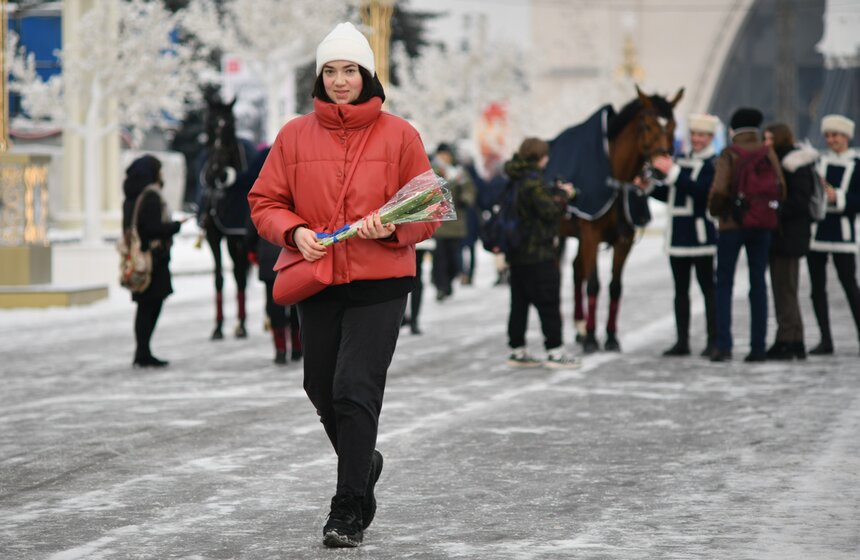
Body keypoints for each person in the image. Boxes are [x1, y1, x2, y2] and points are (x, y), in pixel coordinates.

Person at [247, 22, 439, 548]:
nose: (338, 80)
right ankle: (365, 461)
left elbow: (429, 211)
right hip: (319, 281)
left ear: (367, 74)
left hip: (381, 283)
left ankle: (347, 508)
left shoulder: (401, 135)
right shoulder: (293, 136)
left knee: (355, 389)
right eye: (329, 71)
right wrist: (295, 231)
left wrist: (395, 226)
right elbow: (264, 202)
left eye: (349, 70)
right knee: (319, 386)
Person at [707, 108, 786, 362]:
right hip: (762, 225)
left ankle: (724, 345)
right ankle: (758, 347)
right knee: (758, 284)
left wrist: (717, 211)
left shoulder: (730, 154)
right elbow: (781, 189)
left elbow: (719, 190)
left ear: (734, 130)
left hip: (732, 226)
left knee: (724, 285)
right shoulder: (767, 152)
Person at [644, 114, 719, 357]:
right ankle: (682, 340)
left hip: (700, 237)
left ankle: (714, 340)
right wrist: (649, 187)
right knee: (680, 291)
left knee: (709, 290)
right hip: (677, 236)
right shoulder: (682, 160)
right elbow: (672, 194)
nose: (697, 139)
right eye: (694, 134)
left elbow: (700, 193)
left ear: (711, 138)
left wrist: (673, 172)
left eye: (702, 135)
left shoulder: (713, 164)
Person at [504, 137, 578, 368]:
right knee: (548, 302)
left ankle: (517, 349)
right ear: (539, 157)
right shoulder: (533, 183)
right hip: (538, 253)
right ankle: (555, 351)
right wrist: (566, 195)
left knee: (519, 303)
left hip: (517, 253)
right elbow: (548, 211)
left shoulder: (515, 179)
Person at [121, 155, 184, 367]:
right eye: (159, 170)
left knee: (143, 306)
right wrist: (174, 227)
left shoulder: (131, 197)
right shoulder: (151, 196)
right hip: (152, 260)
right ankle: (143, 352)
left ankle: (142, 350)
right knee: (151, 305)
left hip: (138, 259)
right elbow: (151, 228)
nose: (162, 174)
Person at [763, 123, 817, 360]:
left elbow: (799, 201)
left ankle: (787, 339)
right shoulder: (791, 162)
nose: (765, 144)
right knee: (787, 289)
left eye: (768, 139)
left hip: (787, 236)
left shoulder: (790, 164)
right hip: (789, 235)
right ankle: (795, 339)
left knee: (784, 288)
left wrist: (774, 209)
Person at [807, 114, 860, 355]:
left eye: (836, 135)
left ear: (846, 137)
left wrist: (837, 197)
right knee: (817, 288)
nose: (831, 140)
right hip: (817, 233)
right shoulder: (818, 163)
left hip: (843, 234)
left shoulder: (857, 164)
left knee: (849, 285)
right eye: (828, 136)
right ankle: (825, 338)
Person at [245, 146, 302, 365]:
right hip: (295, 255)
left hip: (269, 259)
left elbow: (252, 227)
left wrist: (251, 251)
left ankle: (280, 348)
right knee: (297, 303)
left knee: (274, 303)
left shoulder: (264, 192)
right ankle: (297, 347)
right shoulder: (300, 188)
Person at [431, 143, 476, 300]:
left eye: (446, 155)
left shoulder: (459, 173)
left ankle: (449, 281)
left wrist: (466, 198)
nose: (443, 158)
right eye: (440, 155)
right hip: (437, 223)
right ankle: (441, 287)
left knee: (454, 260)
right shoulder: (431, 172)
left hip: (456, 223)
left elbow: (470, 190)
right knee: (439, 259)